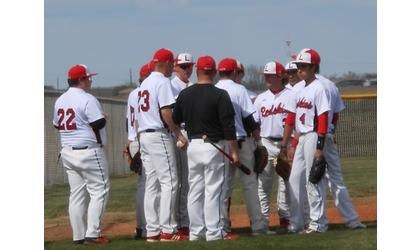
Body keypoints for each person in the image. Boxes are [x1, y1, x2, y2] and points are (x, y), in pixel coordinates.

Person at [172, 55, 242, 241]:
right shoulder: (220, 94)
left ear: (197, 71)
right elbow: (229, 126)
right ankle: (214, 232)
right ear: (214, 72)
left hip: (193, 146)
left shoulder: (185, 93)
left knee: (195, 190)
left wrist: (180, 134)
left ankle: (196, 232)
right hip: (214, 145)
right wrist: (234, 151)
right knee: (214, 190)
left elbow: (175, 118)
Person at [53, 64, 110, 245]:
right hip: (88, 151)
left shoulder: (60, 99)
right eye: (87, 78)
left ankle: (78, 236)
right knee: (99, 191)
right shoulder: (87, 98)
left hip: (68, 151)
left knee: (76, 194)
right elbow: (98, 123)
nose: (90, 81)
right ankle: (93, 234)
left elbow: (57, 124)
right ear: (80, 80)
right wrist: (103, 117)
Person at [137, 48, 189, 242]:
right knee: (170, 182)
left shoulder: (146, 83)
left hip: (144, 135)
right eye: (172, 64)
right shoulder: (162, 81)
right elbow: (166, 112)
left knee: (152, 184)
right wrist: (178, 133)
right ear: (167, 63)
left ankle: (152, 231)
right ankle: (168, 230)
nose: (172, 67)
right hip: (159, 135)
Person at [215, 58, 270, 236]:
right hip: (242, 143)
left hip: (222, 144)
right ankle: (258, 227)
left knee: (223, 187)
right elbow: (249, 119)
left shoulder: (214, 89)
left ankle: (222, 227)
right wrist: (260, 142)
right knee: (250, 185)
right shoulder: (239, 89)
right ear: (234, 72)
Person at [280, 49, 330, 234]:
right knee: (294, 180)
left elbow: (323, 116)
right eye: (298, 66)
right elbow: (291, 118)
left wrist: (320, 147)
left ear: (314, 67)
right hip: (300, 137)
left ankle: (318, 223)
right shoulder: (297, 89)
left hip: (313, 135)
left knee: (313, 180)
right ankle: (296, 222)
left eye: (304, 66)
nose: (300, 70)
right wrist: (288, 145)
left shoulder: (318, 87)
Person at [253, 61, 291, 231]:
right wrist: (258, 144)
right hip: (267, 142)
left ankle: (286, 219)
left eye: (271, 75)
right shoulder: (261, 98)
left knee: (288, 183)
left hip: (286, 143)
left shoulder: (291, 95)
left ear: (280, 76)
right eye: (266, 75)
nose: (267, 78)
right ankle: (263, 222)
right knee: (263, 185)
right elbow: (255, 124)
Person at [125, 62, 153, 240]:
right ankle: (146, 227)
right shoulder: (148, 91)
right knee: (150, 185)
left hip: (135, 140)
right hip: (143, 141)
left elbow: (128, 120)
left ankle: (142, 227)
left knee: (144, 185)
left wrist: (128, 143)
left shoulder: (133, 94)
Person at [170, 53, 195, 236]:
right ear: (175, 67)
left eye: (189, 66)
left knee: (192, 179)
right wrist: (178, 134)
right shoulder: (170, 86)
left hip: (195, 134)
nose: (188, 69)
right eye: (184, 66)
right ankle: (181, 222)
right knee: (180, 180)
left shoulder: (194, 86)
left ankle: (190, 219)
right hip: (179, 133)